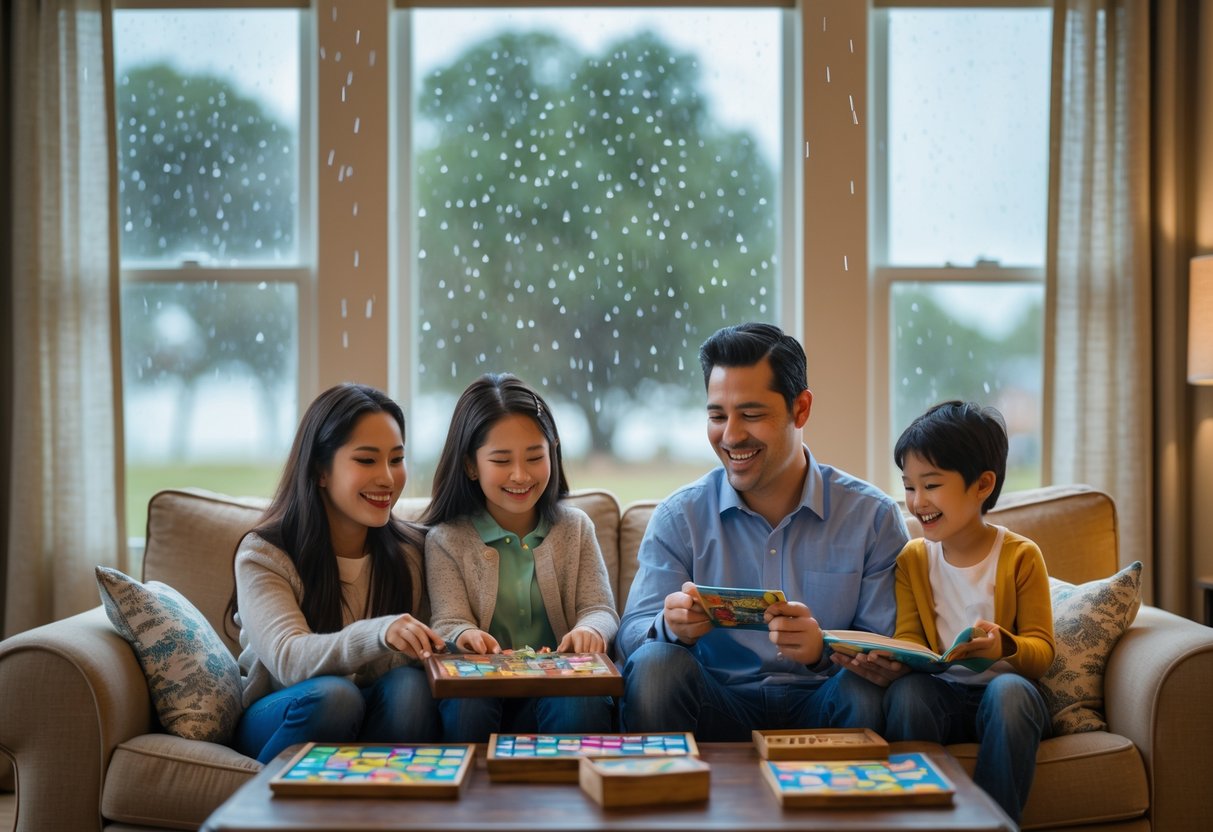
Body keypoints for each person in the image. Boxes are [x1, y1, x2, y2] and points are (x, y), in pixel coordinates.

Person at [616, 322, 910, 739]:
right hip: (717, 704)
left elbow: (890, 647)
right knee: (655, 665)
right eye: (718, 416)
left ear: (801, 409)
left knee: (864, 691)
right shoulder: (680, 516)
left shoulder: (872, 518)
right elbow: (629, 638)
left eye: (751, 415)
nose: (731, 435)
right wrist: (669, 626)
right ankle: (669, 799)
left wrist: (823, 649)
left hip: (825, 699)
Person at [226, 383, 443, 764]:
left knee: (410, 686)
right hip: (284, 713)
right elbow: (289, 659)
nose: (388, 479)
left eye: (396, 459)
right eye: (366, 460)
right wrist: (379, 633)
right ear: (320, 471)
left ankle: (392, 812)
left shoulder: (411, 553)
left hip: (371, 713)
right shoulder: (264, 554)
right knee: (335, 696)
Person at [882, 400, 1054, 825]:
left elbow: (1043, 650)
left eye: (932, 485)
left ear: (982, 485)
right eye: (908, 486)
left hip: (1006, 698)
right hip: (943, 694)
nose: (916, 501)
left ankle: (993, 823)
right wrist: (897, 655)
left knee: (1009, 693)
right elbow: (909, 636)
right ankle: (918, 817)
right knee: (906, 695)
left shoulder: (1020, 556)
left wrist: (1004, 645)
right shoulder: (913, 560)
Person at [421, 373, 619, 741]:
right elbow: (448, 620)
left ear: (553, 452)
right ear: (470, 465)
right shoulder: (447, 539)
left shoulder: (575, 528)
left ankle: (570, 796)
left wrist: (590, 630)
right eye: (501, 460)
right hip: (483, 687)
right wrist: (465, 634)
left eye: (534, 457)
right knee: (467, 706)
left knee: (581, 702)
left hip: (558, 686)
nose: (520, 474)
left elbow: (600, 609)